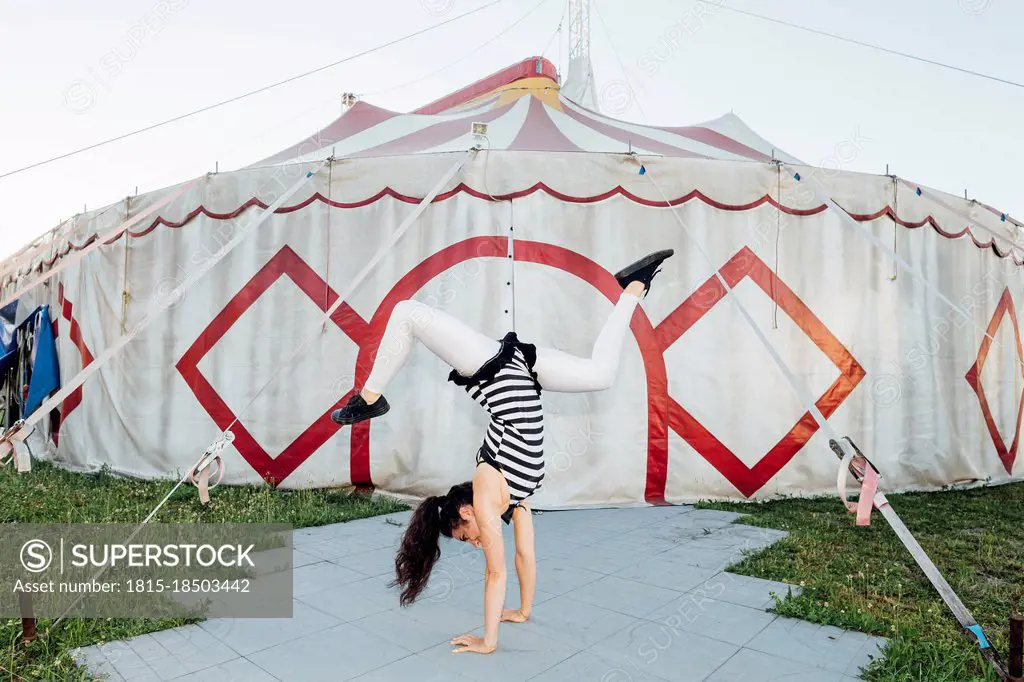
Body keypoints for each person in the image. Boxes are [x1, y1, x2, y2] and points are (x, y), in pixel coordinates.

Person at [330, 249, 674, 654]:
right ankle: (634, 285)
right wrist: (523, 611)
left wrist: (488, 640)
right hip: (525, 369)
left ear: (466, 512)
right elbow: (523, 557)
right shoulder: (516, 498)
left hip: (491, 368)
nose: (475, 542)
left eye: (464, 536)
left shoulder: (487, 493)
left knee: (408, 312)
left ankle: (370, 397)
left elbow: (495, 573)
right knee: (602, 374)